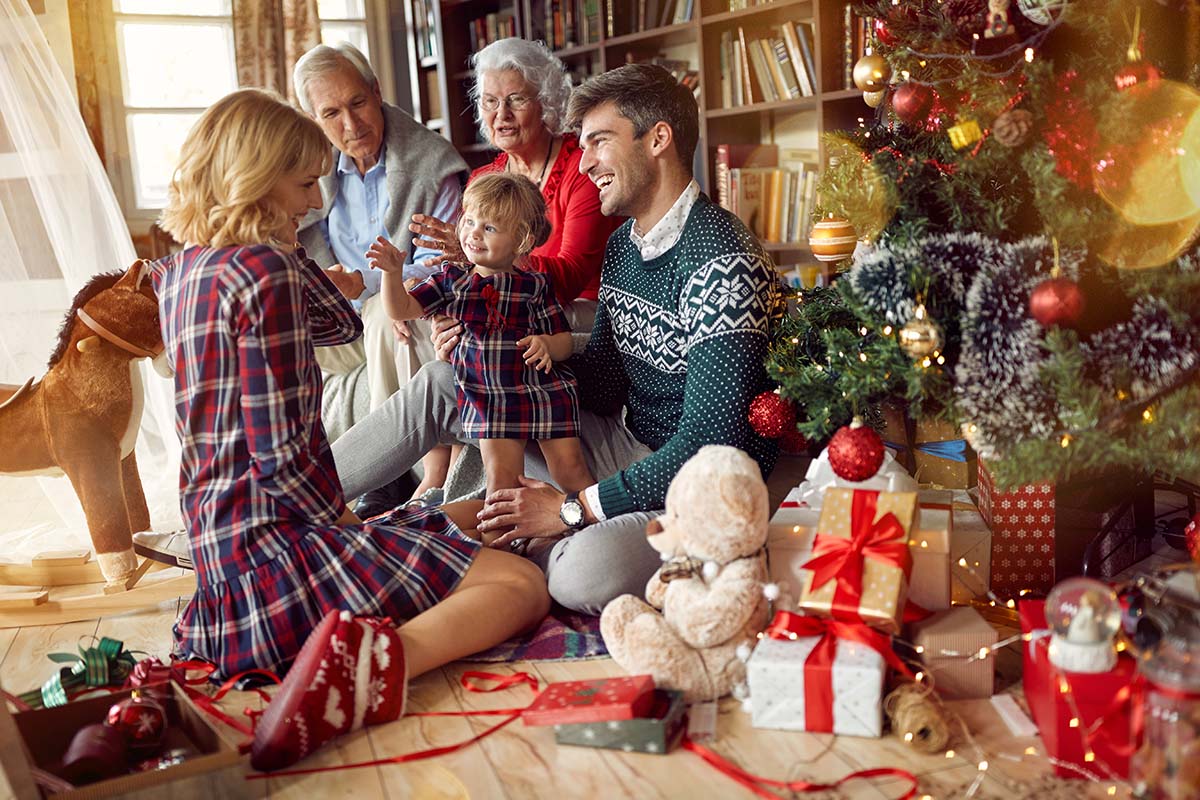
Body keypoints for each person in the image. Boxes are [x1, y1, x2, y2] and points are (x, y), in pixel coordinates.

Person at [331, 64, 781, 614]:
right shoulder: (626, 249)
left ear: (658, 138)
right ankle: (300, 497)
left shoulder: (720, 258)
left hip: (696, 488)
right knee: (449, 378)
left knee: (584, 576)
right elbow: (604, 384)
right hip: (621, 449)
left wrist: (572, 510)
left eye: (599, 142)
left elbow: (709, 445)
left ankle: (500, 543)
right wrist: (496, 353)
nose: (585, 161)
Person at [151, 89, 548, 686]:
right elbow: (278, 454)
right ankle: (360, 671)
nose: (315, 202)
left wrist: (290, 252)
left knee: (472, 515)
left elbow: (339, 323)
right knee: (522, 586)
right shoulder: (267, 275)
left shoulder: (181, 272)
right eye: (305, 183)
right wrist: (347, 528)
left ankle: (356, 633)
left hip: (224, 566)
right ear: (257, 179)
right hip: (282, 559)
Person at [403, 38, 621, 506]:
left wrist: (474, 269)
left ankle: (438, 486)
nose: (499, 113)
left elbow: (568, 273)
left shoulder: (579, 169)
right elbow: (472, 268)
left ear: (546, 102)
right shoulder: (485, 180)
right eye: (488, 101)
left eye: (515, 99)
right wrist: (453, 311)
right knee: (414, 322)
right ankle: (433, 475)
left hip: (575, 309)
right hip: (501, 308)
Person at [368, 173, 593, 503]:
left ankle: (593, 519)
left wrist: (547, 345)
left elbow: (562, 338)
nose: (473, 233)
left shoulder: (535, 285)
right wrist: (391, 273)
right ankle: (501, 540)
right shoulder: (451, 281)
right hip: (489, 395)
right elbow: (403, 309)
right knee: (502, 480)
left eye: (489, 228)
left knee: (571, 470)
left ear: (522, 240)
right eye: (469, 221)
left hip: (544, 389)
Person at [292, 42, 468, 439]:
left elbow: (440, 265)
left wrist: (372, 284)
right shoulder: (309, 174)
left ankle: (384, 473)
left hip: (406, 308)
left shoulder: (431, 162)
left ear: (376, 91)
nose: (351, 125)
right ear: (313, 119)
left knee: (380, 311)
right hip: (338, 322)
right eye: (331, 113)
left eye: (357, 102)